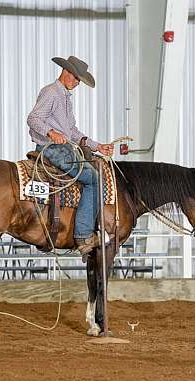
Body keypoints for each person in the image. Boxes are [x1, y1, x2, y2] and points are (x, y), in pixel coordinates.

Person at [27, 56, 114, 257]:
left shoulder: (64, 97)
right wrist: (51, 133)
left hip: (62, 147)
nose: (76, 84)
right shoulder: (51, 92)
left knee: (92, 173)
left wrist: (97, 146)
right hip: (52, 148)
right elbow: (33, 118)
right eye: (76, 79)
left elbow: (72, 131)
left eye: (78, 81)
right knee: (93, 179)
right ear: (67, 73)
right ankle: (83, 234)